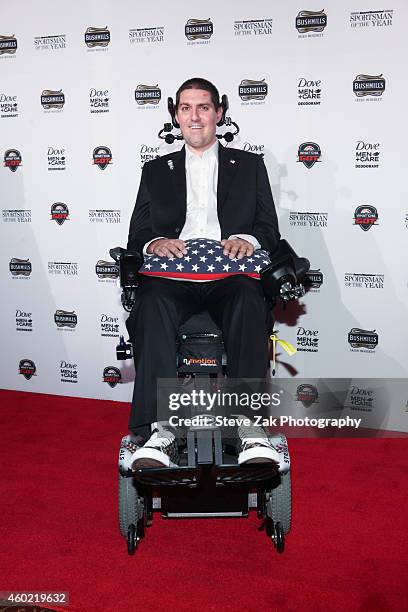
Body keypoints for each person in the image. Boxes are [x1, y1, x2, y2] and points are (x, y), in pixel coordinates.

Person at [126, 77, 281, 470]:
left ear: (219, 113)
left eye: (204, 107)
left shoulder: (248, 165)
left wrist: (247, 238)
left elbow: (268, 228)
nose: (194, 116)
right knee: (150, 301)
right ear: (175, 116)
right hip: (173, 275)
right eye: (185, 108)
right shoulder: (155, 169)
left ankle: (248, 428)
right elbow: (137, 233)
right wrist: (154, 242)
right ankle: (161, 430)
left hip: (229, 273)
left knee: (249, 299)